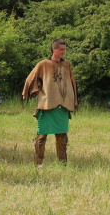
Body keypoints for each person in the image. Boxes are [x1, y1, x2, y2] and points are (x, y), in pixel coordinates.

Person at [22, 39, 78, 167]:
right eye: (61, 49)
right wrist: (37, 92)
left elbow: (72, 82)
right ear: (54, 49)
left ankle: (62, 163)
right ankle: (38, 163)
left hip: (62, 105)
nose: (64, 52)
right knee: (42, 136)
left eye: (64, 49)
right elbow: (31, 79)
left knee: (62, 136)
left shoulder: (67, 65)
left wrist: (72, 99)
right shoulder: (43, 64)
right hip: (47, 105)